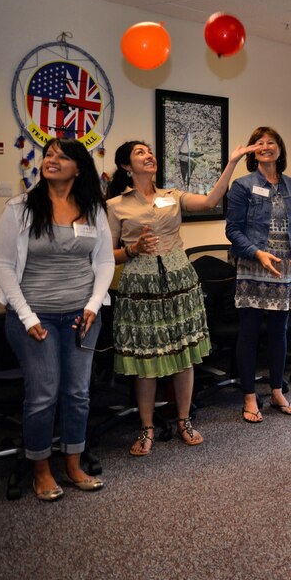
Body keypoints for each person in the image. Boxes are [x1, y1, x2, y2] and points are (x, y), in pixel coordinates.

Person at [106, 138, 261, 454]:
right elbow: (107, 255)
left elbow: (210, 201)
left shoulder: (171, 196)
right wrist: (133, 249)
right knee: (146, 359)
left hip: (180, 281)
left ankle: (184, 420)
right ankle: (146, 428)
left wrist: (231, 162)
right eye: (140, 153)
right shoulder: (115, 205)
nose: (149, 155)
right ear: (125, 166)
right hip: (141, 287)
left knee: (184, 354)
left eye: (149, 151)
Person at [0, 137, 115, 501]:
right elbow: (3, 266)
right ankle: (41, 469)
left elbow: (105, 261)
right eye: (48, 154)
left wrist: (93, 305)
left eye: (62, 156)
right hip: (35, 317)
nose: (52, 160)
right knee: (44, 394)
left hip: (82, 316)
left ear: (79, 168)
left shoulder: (93, 209)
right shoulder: (20, 209)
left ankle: (73, 463)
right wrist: (27, 316)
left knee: (77, 392)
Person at [226, 127, 291, 423]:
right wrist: (257, 253)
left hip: (285, 268)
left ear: (280, 149)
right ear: (251, 152)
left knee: (279, 332)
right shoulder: (243, 185)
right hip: (253, 265)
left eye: (271, 142)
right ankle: (249, 395)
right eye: (258, 143)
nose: (265, 146)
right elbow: (232, 231)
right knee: (249, 333)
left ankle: (276, 390)